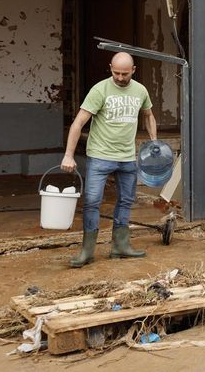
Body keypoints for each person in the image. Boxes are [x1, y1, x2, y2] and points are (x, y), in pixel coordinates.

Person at [61, 52, 156, 268]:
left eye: (125, 73)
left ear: (133, 70)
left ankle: (120, 246)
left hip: (127, 157)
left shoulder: (140, 90)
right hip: (100, 156)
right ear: (110, 68)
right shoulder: (100, 89)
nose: (120, 78)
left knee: (125, 201)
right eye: (116, 73)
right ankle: (87, 251)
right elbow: (78, 123)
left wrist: (154, 142)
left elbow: (148, 115)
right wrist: (69, 154)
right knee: (93, 202)